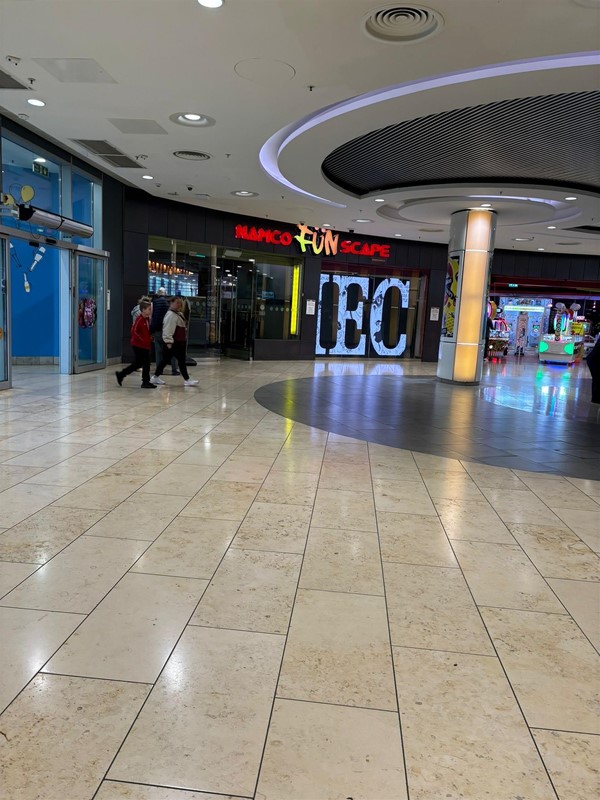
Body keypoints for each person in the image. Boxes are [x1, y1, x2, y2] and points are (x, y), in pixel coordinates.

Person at [151, 297, 198, 386]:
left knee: (166, 360)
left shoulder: (177, 314)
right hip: (175, 343)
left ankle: (155, 377)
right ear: (171, 303)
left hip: (178, 342)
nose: (178, 305)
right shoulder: (171, 315)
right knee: (180, 361)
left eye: (180, 303)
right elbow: (167, 329)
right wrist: (168, 342)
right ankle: (187, 379)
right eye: (177, 303)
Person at [115, 300, 156, 389]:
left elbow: (146, 331)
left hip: (145, 344)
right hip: (138, 345)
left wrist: (149, 337)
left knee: (140, 363)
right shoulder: (140, 319)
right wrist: (143, 339)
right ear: (143, 310)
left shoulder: (147, 319)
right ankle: (145, 381)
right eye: (149, 309)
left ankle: (122, 374)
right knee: (144, 362)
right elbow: (134, 331)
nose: (150, 311)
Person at [150, 287, 179, 375]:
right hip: (167, 329)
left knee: (158, 351)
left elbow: (151, 317)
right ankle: (174, 369)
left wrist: (152, 330)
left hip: (157, 330)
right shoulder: (168, 303)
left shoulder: (153, 303)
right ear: (165, 294)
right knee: (172, 350)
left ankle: (160, 370)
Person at [586, 337, 600, 404]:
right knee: (597, 379)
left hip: (594, 360)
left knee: (597, 380)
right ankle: (596, 399)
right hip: (595, 361)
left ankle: (596, 399)